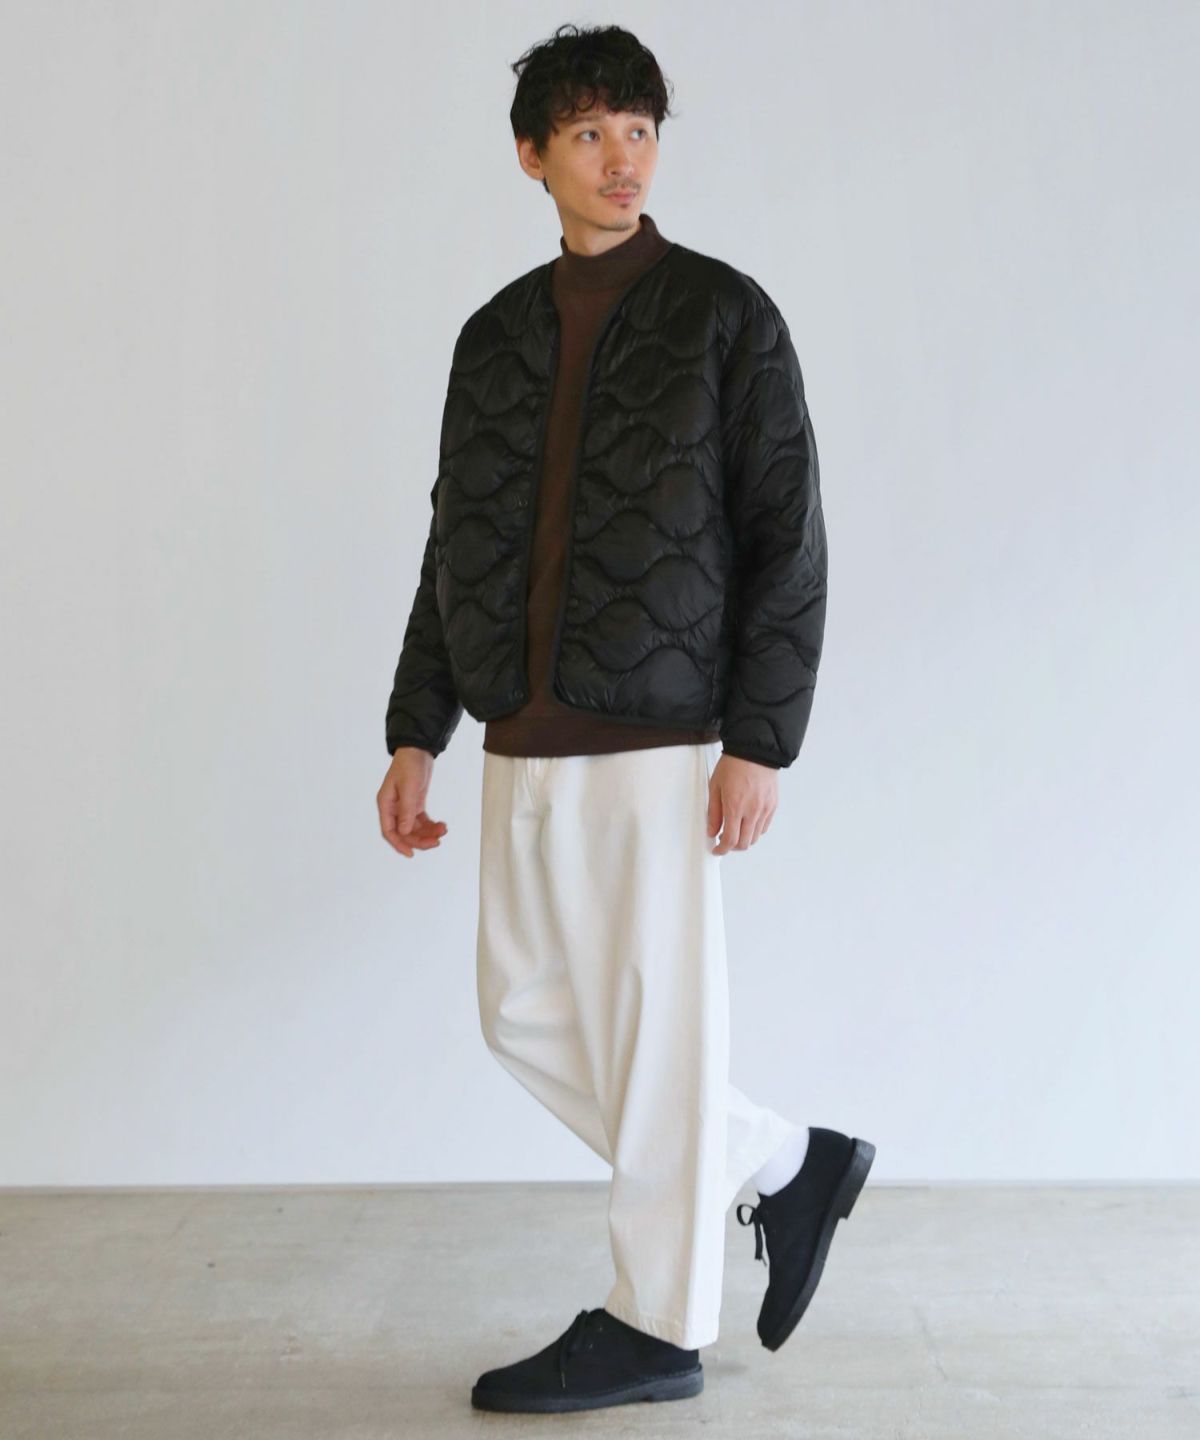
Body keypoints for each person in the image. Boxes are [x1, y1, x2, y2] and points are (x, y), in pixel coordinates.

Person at [376, 22, 875, 1415]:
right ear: (532, 155)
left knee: (658, 1039)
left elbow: (788, 538)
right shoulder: (494, 337)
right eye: (591, 133)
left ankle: (658, 1324)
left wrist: (760, 739)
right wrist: (417, 728)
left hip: (655, 739)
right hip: (520, 728)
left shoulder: (723, 315)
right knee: (520, 1015)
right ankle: (781, 1161)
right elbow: (455, 544)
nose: (621, 159)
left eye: (640, 130)